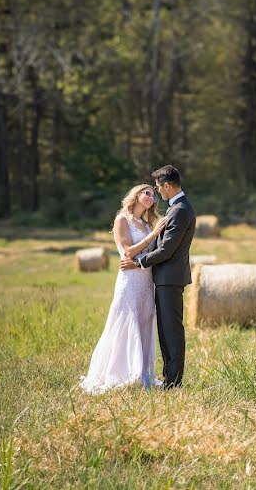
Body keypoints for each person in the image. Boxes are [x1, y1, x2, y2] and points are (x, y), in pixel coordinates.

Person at [80, 184, 167, 393]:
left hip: (146, 281)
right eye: (146, 192)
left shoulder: (146, 224)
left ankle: (142, 373)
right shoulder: (122, 220)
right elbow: (128, 252)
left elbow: (150, 254)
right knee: (126, 322)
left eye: (153, 195)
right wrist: (155, 232)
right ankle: (120, 373)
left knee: (144, 323)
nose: (150, 197)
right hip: (129, 280)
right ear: (136, 195)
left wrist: (153, 231)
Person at [120, 164, 196, 389]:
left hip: (170, 279)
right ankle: (169, 378)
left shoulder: (180, 210)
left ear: (168, 185)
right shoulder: (177, 208)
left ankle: (174, 383)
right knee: (165, 329)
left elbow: (166, 250)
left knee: (171, 330)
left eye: (159, 187)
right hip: (166, 279)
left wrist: (138, 262)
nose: (157, 191)